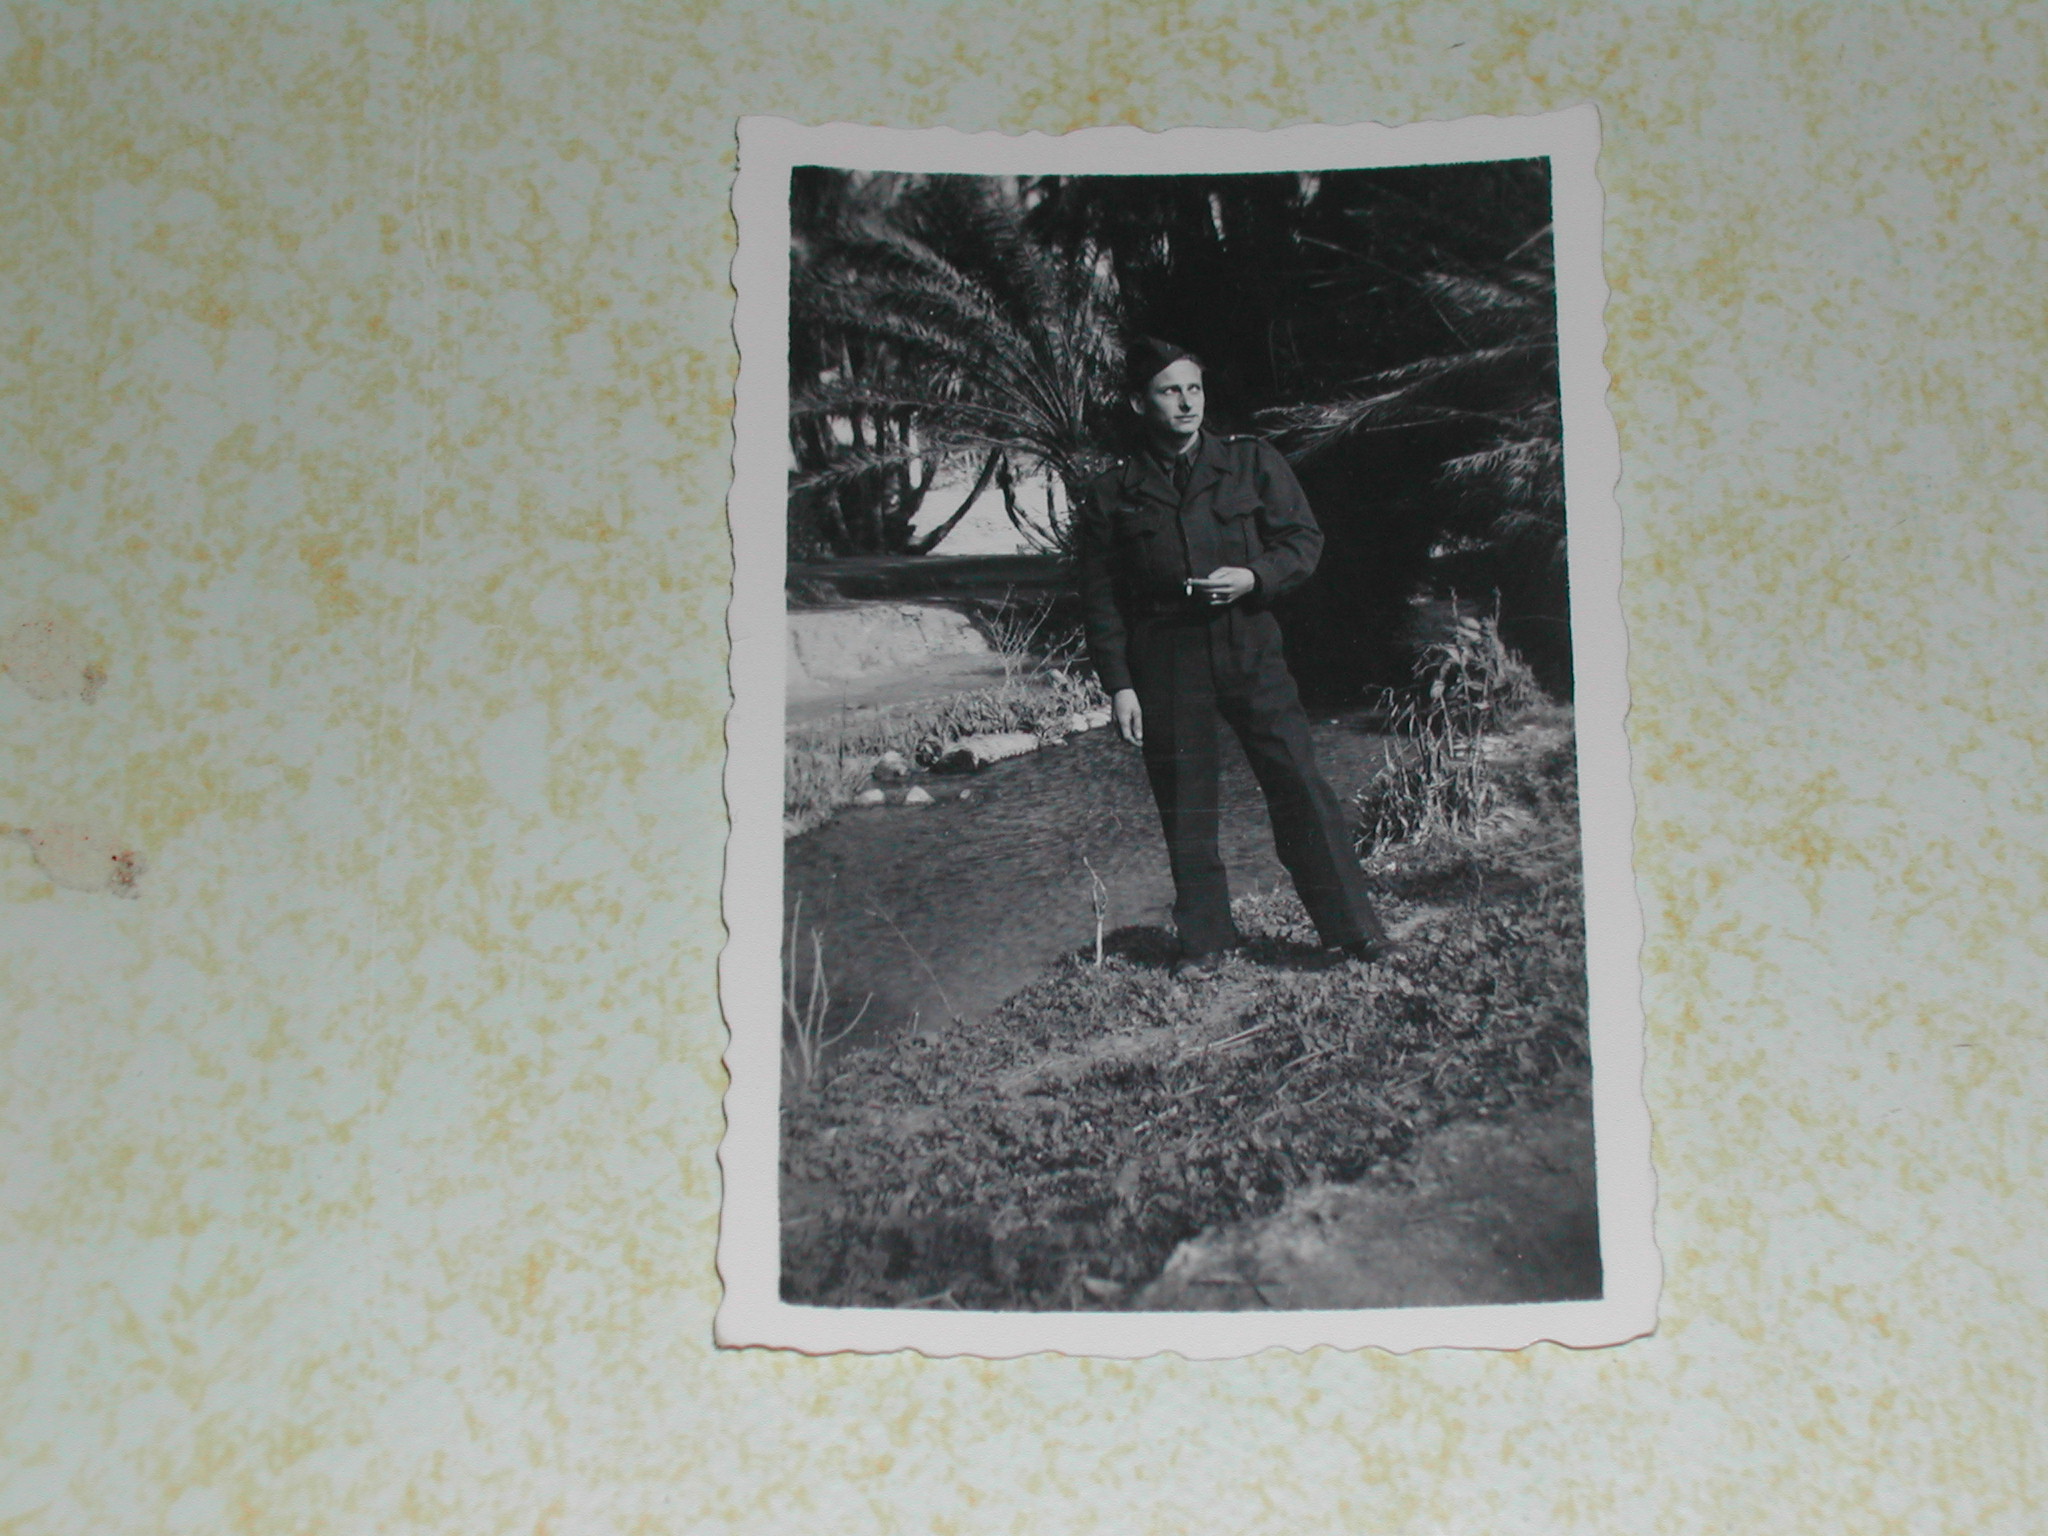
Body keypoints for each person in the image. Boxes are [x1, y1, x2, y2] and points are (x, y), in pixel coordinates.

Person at [1074, 337, 1395, 970]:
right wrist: (1120, 685)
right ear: (1140, 403)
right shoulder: (1113, 492)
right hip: (1166, 658)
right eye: (1170, 391)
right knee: (1186, 802)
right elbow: (1101, 597)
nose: (1186, 402)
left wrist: (1255, 577)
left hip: (1250, 646)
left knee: (1298, 783)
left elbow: (1302, 540)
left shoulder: (1251, 462)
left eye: (1193, 388)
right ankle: (1208, 941)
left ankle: (1355, 930)